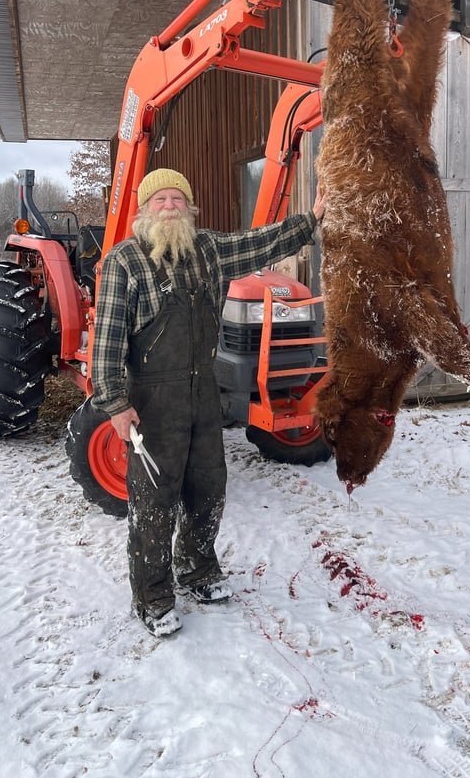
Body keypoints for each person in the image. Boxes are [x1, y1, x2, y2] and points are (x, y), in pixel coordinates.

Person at [91, 167, 325, 637]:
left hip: (203, 393)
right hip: (153, 400)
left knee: (208, 488)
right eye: (161, 200)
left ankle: (197, 572)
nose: (170, 207)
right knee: (154, 500)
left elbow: (261, 243)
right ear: (144, 210)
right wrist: (115, 404)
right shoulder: (125, 261)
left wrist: (311, 220)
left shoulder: (209, 250)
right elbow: (107, 341)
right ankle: (152, 596)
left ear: (191, 209)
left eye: (179, 199)